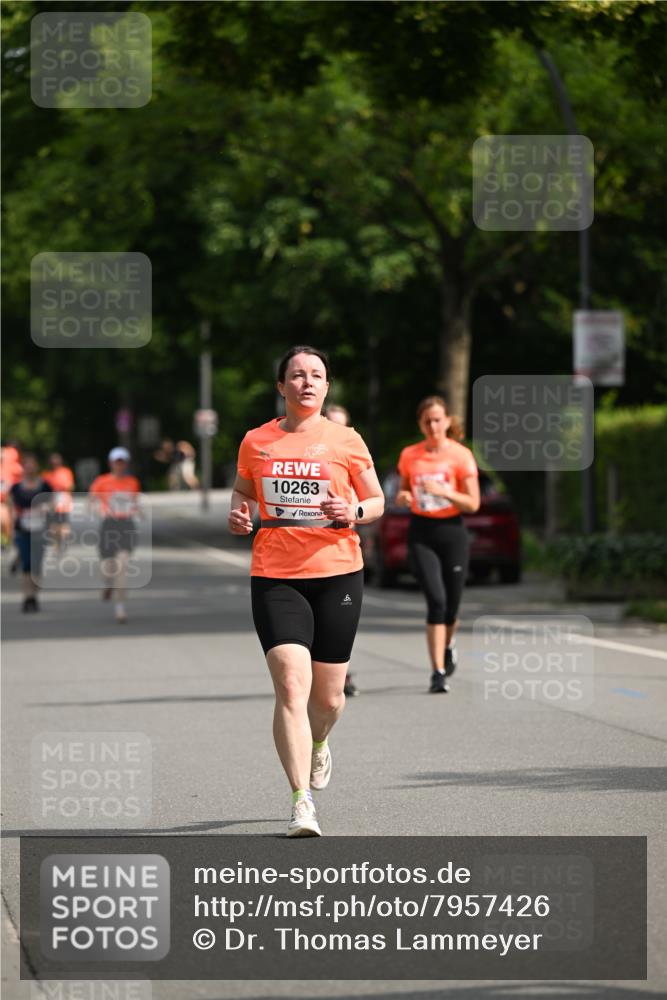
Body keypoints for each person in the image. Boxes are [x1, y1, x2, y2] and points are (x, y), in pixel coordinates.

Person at [229, 346, 384, 837]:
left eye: (316, 375)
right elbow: (243, 492)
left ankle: (319, 743)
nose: (307, 382)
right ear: (282, 386)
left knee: (329, 698)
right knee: (292, 685)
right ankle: (301, 801)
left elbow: (378, 499)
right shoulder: (257, 441)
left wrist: (353, 513)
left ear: (327, 387)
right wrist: (238, 514)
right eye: (297, 375)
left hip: (338, 570)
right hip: (276, 571)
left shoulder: (346, 440)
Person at [396, 396, 480, 693]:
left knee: (452, 607)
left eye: (437, 420)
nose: (432, 426)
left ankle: (449, 642)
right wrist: (404, 497)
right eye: (426, 421)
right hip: (422, 532)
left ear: (447, 421)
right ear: (420, 424)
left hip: (452, 532)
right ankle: (438, 672)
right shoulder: (410, 455)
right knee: (436, 600)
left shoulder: (461, 455)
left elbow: (473, 503)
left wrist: (446, 491)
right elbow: (404, 491)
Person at [324, 403, 358, 698]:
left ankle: (342, 673)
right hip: (300, 558)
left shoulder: (353, 452)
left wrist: (353, 510)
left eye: (343, 425)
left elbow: (373, 502)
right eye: (331, 423)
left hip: (342, 555)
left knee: (336, 626)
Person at [89, 447, 141, 624]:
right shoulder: (101, 481)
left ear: (126, 463)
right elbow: (92, 502)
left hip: (126, 525)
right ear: (111, 463)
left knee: (122, 566)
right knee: (108, 569)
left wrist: (138, 511)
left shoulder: (132, 482)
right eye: (116, 462)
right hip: (109, 526)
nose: (119, 465)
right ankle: (108, 583)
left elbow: (135, 503)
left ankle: (120, 608)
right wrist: (99, 511)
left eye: (122, 462)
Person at [9, 454, 52, 612]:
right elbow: (11, 507)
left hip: (39, 530)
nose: (29, 468)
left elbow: (51, 505)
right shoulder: (16, 488)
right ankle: (28, 597)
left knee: (36, 565)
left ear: (36, 467)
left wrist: (46, 509)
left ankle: (34, 594)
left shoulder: (45, 486)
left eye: (32, 465)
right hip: (22, 530)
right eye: (26, 465)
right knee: (27, 564)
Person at [42, 452, 75, 555]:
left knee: (63, 524)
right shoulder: (46, 474)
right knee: (53, 525)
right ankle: (56, 546)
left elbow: (70, 486)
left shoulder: (66, 472)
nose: (54, 464)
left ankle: (63, 541)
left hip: (63, 500)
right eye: (53, 462)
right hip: (51, 500)